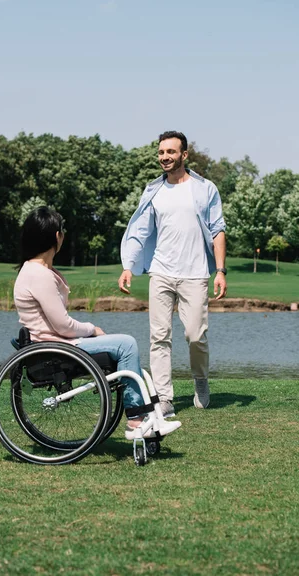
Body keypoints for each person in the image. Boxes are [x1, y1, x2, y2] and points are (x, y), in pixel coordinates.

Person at [14, 206, 181, 440]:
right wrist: (93, 329)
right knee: (126, 344)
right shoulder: (38, 274)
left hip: (57, 344)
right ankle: (136, 419)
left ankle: (146, 415)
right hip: (57, 348)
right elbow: (62, 325)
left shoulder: (36, 271)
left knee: (123, 346)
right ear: (56, 236)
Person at [119, 131, 227, 417]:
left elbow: (218, 230)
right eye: (161, 152)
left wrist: (220, 271)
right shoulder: (153, 191)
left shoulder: (205, 189)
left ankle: (201, 380)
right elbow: (140, 231)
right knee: (159, 336)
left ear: (184, 154)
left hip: (195, 274)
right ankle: (164, 397)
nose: (165, 157)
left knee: (195, 335)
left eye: (171, 152)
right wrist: (128, 266)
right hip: (161, 272)